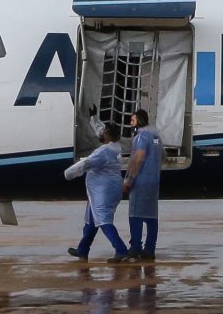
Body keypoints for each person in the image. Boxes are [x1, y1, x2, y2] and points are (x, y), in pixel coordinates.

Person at [63, 121, 131, 260]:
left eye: (103, 132)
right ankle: (83, 249)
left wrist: (67, 174)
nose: (100, 133)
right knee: (91, 222)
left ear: (107, 135)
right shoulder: (115, 147)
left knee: (104, 221)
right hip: (103, 191)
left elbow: (86, 163)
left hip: (103, 192)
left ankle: (121, 250)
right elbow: (102, 130)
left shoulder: (103, 152)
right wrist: (93, 118)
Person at [124, 109, 164, 260]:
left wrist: (129, 179)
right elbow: (163, 157)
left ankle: (135, 246)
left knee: (135, 214)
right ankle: (150, 248)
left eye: (132, 120)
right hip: (154, 180)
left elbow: (138, 158)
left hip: (141, 180)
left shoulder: (141, 136)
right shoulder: (157, 137)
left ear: (139, 121)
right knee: (151, 216)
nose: (130, 123)